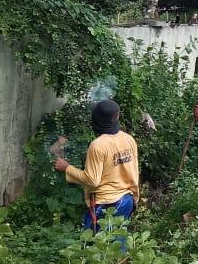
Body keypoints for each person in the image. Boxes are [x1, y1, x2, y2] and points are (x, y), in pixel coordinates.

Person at [53, 99, 139, 249]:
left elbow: (92, 180)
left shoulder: (98, 145)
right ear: (116, 117)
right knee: (118, 243)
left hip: (107, 203)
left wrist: (67, 168)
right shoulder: (128, 139)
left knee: (92, 246)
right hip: (127, 199)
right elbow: (134, 170)